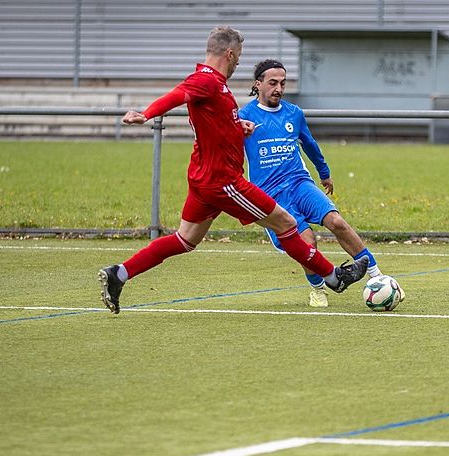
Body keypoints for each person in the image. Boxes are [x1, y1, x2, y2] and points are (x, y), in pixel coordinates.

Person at [97, 27, 367, 314]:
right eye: (238, 56)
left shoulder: (215, 84)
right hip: (223, 181)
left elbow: (212, 123)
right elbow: (179, 94)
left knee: (184, 240)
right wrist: (146, 113)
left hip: (202, 179)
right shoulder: (207, 80)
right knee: (286, 223)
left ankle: (119, 274)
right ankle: (333, 277)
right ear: (230, 53)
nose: (238, 62)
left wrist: (239, 127)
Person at [239, 59, 394, 308]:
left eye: (282, 83)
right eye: (272, 83)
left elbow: (309, 144)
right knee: (307, 241)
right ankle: (317, 289)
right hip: (270, 194)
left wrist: (324, 172)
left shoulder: (294, 113)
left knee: (337, 222)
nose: (278, 88)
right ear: (258, 84)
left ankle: (378, 277)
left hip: (300, 183)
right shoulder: (243, 117)